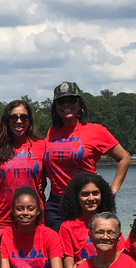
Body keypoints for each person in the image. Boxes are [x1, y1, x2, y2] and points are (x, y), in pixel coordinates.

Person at [43, 82, 131, 231]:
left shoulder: (96, 131)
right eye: (61, 101)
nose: (66, 104)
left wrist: (111, 191)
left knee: (86, 251)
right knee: (57, 251)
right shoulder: (51, 133)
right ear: (55, 107)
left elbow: (124, 158)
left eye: (71, 100)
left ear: (79, 104)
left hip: (86, 203)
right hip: (56, 203)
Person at [0, 100, 46, 228]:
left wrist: (89, 176)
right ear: (7, 120)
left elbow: (58, 170)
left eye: (24, 117)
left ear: (29, 121)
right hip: (5, 217)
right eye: (14, 117)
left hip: (34, 216)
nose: (19, 121)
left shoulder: (42, 145)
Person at [58, 172, 123, 268]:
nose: (91, 198)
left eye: (95, 193)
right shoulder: (67, 227)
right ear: (76, 197)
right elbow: (69, 266)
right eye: (85, 194)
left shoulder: (109, 222)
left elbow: (120, 253)